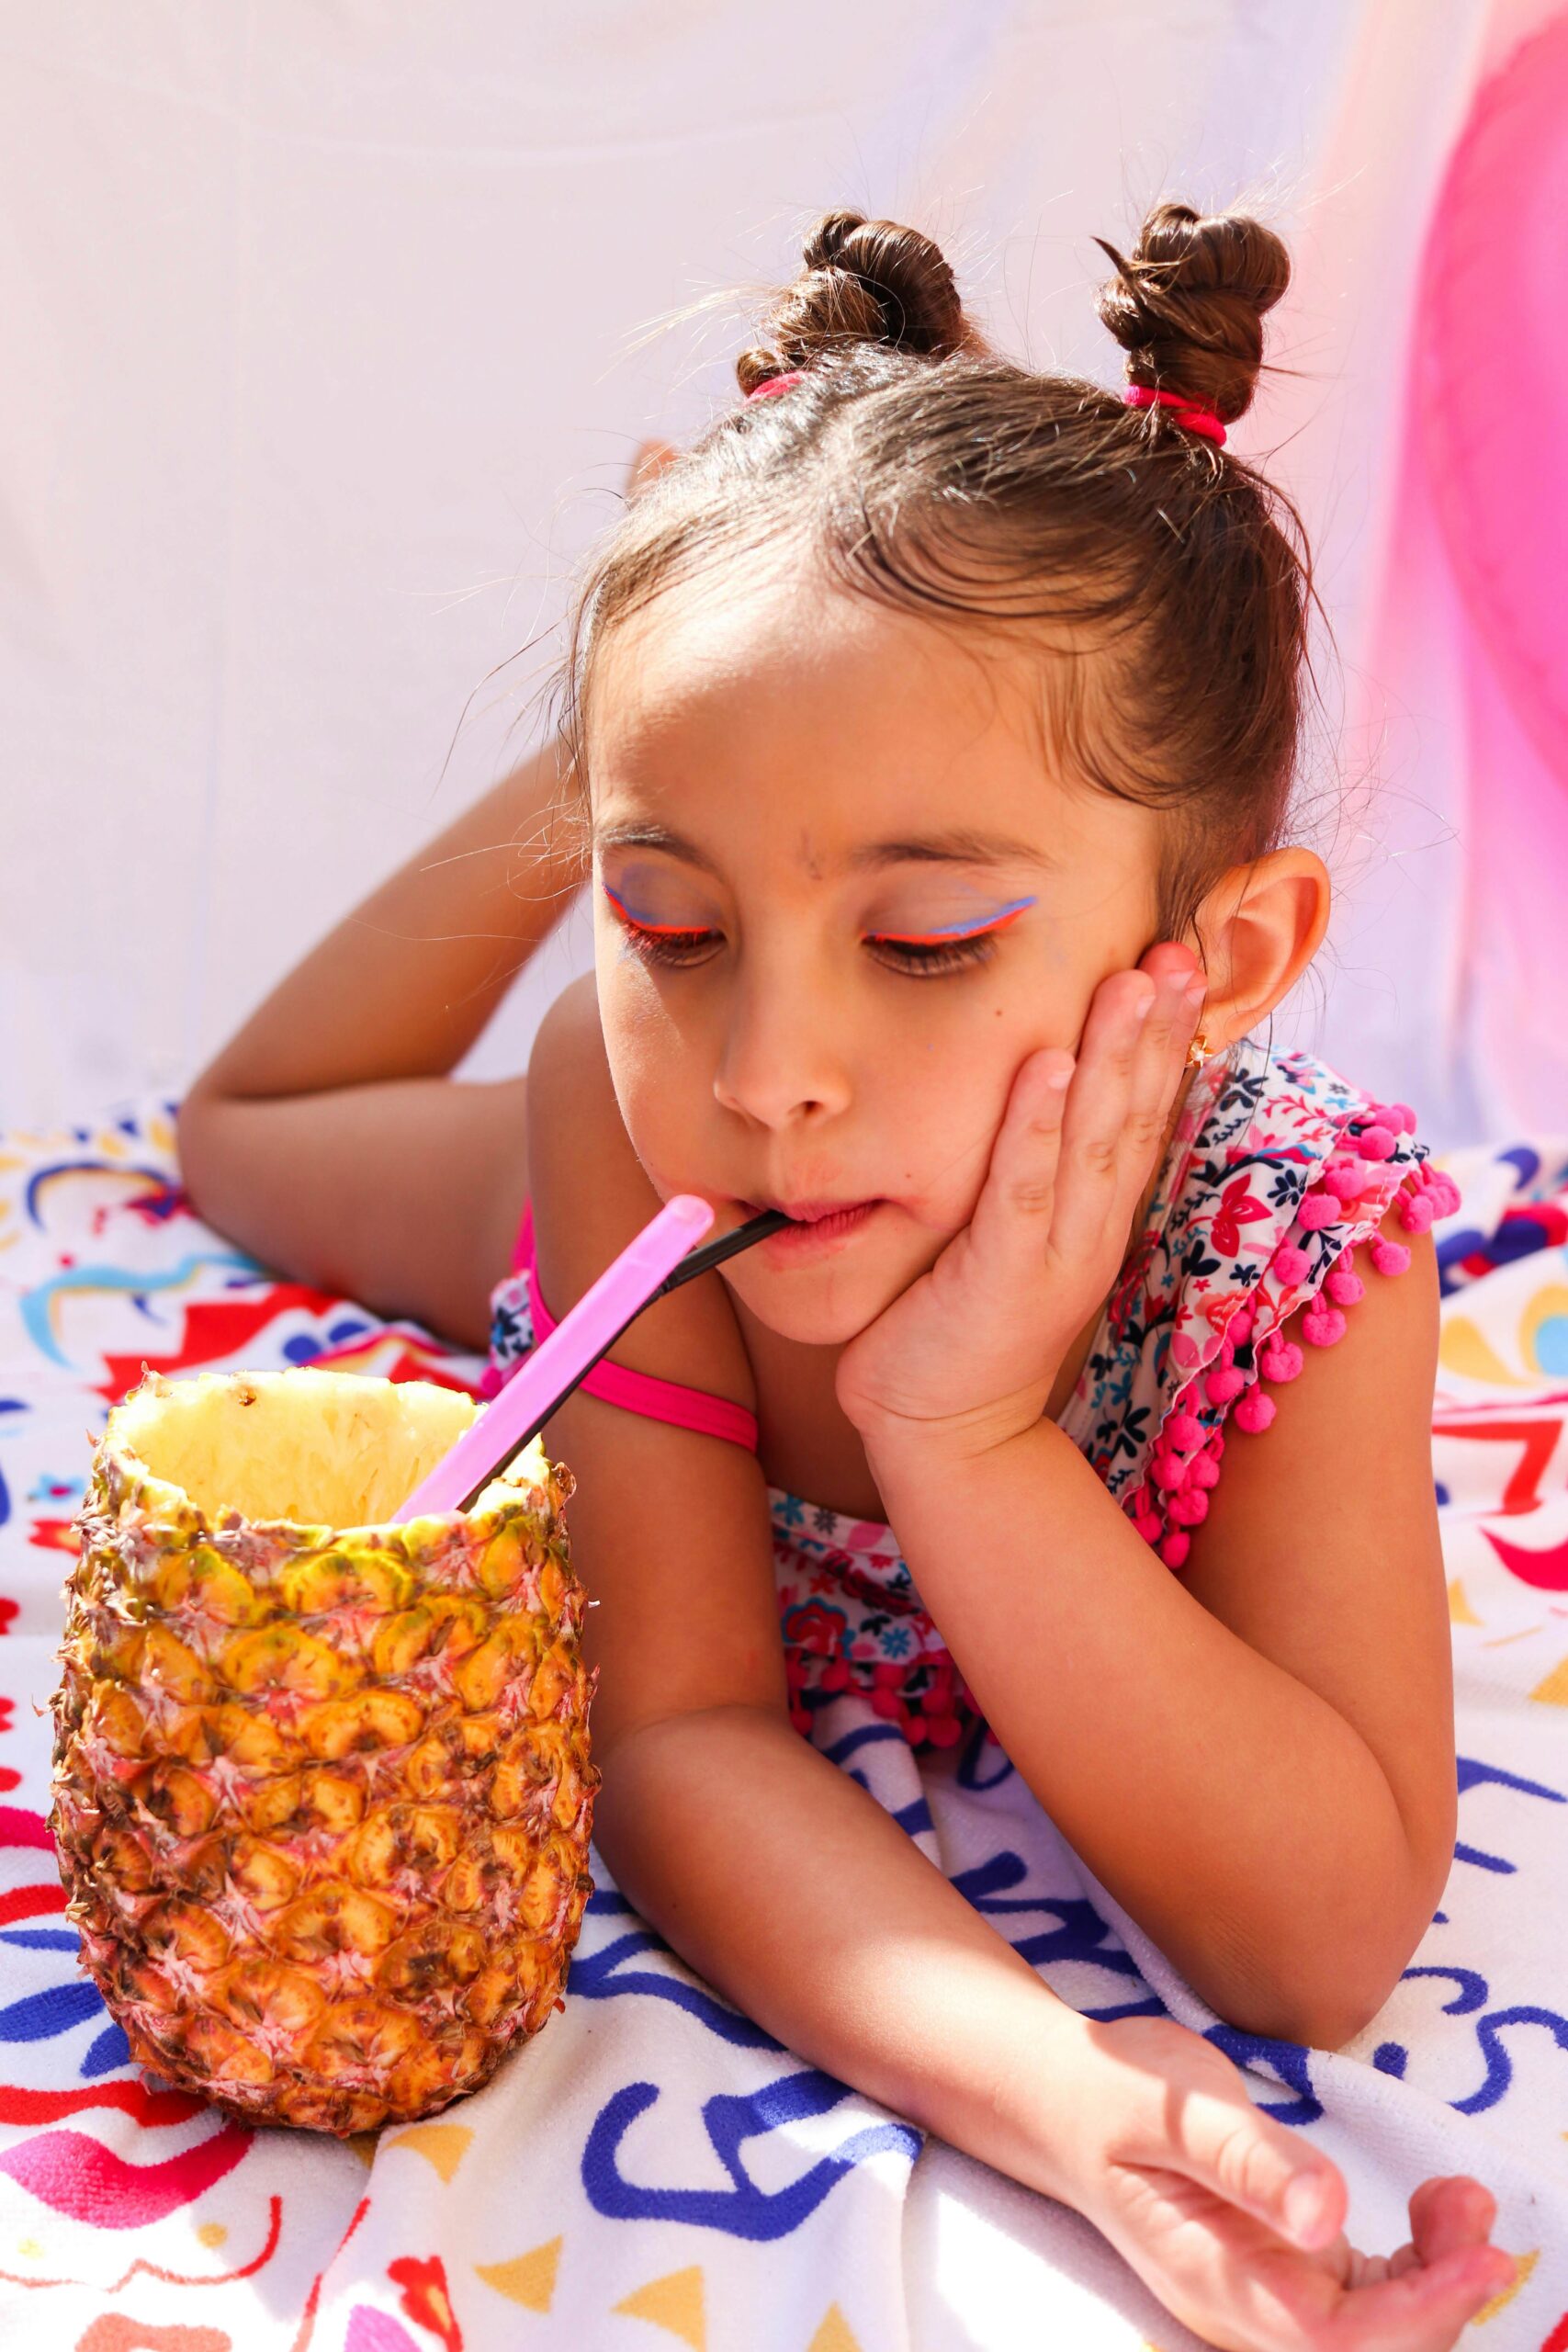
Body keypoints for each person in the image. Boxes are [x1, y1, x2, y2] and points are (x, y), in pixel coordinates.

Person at [178, 203, 1512, 2350]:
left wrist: (960, 1429)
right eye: (668, 921)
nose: (768, 1071)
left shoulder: (1293, 1258)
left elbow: (1318, 1941)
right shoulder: (638, 1123)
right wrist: (660, 735)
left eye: (920, 944)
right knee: (234, 1138)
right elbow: (681, 1728)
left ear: (1227, 962)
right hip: (607, 1252)